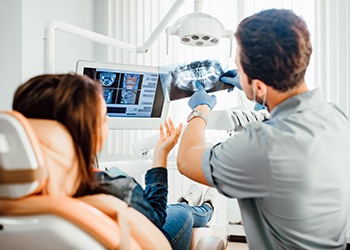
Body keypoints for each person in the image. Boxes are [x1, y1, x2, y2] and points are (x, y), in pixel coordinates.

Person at [177, 8, 350, 250]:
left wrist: (200, 110)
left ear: (259, 85)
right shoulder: (336, 116)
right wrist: (262, 96)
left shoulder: (262, 146)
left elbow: (186, 160)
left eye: (240, 67)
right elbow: (289, 125)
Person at [12, 73, 218, 250]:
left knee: (175, 207)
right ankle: (206, 208)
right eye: (103, 118)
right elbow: (155, 217)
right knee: (180, 212)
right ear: (85, 133)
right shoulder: (115, 189)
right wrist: (161, 155)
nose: (108, 120)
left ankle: (191, 201)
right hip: (150, 236)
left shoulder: (18, 197)